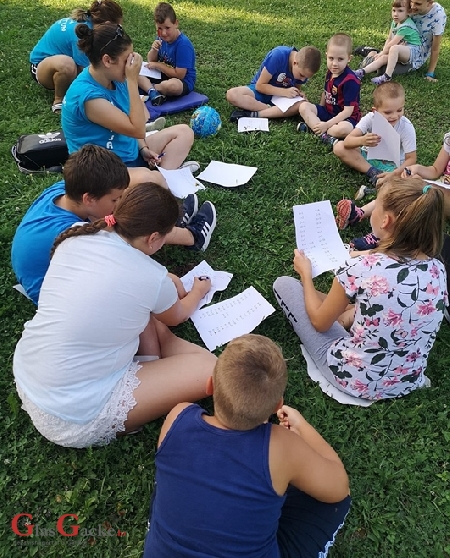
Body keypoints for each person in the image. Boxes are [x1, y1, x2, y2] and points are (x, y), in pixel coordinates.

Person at [13, 182, 217, 448]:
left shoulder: (77, 233)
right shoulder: (150, 276)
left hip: (32, 371)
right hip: (72, 412)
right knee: (210, 369)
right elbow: (178, 315)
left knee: (146, 311)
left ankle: (156, 359)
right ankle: (157, 361)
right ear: (153, 238)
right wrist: (198, 291)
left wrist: (164, 286)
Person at [143, 334, 350, 558]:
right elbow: (338, 488)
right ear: (278, 406)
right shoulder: (281, 445)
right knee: (336, 502)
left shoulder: (177, 417)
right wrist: (302, 426)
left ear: (210, 385)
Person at [274, 177, 448, 401]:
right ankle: (345, 313)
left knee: (285, 285)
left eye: (376, 206)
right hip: (407, 380)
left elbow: (319, 322)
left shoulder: (361, 267)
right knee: (366, 304)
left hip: (353, 378)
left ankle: (340, 313)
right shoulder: (437, 268)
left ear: (385, 220)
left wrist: (305, 275)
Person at [62, 23, 216, 250]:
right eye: (127, 59)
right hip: (104, 172)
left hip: (127, 150)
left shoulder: (114, 78)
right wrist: (133, 81)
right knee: (152, 181)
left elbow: (141, 119)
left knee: (184, 132)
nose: (133, 64)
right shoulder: (88, 97)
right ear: (107, 60)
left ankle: (162, 181)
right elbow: (136, 128)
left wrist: (143, 148)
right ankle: (163, 195)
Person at [11, 146, 213, 306]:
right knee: (135, 225)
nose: (119, 203)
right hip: (55, 292)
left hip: (39, 267)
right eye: (115, 199)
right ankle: (192, 237)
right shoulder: (77, 237)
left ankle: (171, 222)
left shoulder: (66, 190)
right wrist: (166, 278)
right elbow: (130, 253)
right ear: (89, 199)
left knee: (131, 214)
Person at [29, 0, 123, 112]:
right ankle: (59, 101)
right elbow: (88, 70)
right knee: (68, 65)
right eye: (117, 27)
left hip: (63, 60)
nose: (118, 30)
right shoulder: (80, 35)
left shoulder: (89, 24)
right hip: (40, 67)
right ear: (107, 24)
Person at [334, 80, 416, 203]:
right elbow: (347, 141)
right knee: (339, 147)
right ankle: (373, 173)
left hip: (392, 166)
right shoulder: (370, 119)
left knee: (410, 179)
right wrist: (362, 140)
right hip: (368, 158)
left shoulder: (405, 127)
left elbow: (411, 159)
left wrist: (394, 173)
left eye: (399, 110)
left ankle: (381, 183)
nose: (394, 116)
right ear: (375, 111)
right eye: (388, 112)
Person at [355, 0, 446, 82]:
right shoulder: (409, 6)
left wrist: (430, 73)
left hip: (415, 56)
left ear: (430, 3)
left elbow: (435, 49)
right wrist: (385, 51)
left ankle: (371, 53)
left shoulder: (438, 16)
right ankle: (372, 54)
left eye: (418, 4)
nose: (412, 6)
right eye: (412, 1)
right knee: (380, 61)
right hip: (398, 46)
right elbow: (394, 29)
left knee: (382, 69)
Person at [226, 45, 321, 122]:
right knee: (232, 94)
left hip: (281, 99)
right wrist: (284, 92)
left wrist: (299, 94)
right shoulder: (278, 55)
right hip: (262, 92)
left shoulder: (302, 70)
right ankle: (272, 112)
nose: (303, 79)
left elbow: (297, 87)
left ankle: (257, 114)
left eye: (306, 77)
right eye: (301, 75)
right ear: (295, 63)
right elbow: (260, 86)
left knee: (303, 104)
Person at [298, 34, 361, 147]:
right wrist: (320, 109)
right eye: (331, 58)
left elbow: (347, 111)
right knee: (303, 107)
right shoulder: (330, 72)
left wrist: (326, 125)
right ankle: (323, 134)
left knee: (343, 129)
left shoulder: (351, 80)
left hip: (346, 118)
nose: (335, 63)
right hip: (328, 112)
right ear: (326, 56)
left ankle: (315, 128)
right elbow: (325, 92)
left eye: (340, 59)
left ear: (349, 58)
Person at [354, 0, 421, 85]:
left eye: (400, 11)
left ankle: (387, 76)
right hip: (400, 48)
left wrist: (382, 52)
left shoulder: (406, 26)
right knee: (382, 59)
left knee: (393, 48)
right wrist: (383, 53)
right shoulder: (395, 22)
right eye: (394, 10)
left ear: (408, 12)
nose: (395, 14)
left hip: (412, 52)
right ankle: (361, 72)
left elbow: (393, 43)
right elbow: (389, 39)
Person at [138, 2, 196, 105]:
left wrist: (159, 65)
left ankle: (149, 89)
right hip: (162, 75)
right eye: (159, 29)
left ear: (176, 23)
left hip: (182, 81)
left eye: (167, 28)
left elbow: (180, 75)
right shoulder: (161, 37)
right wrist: (154, 50)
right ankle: (152, 91)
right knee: (134, 69)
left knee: (172, 86)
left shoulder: (183, 45)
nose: (164, 33)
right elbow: (151, 61)